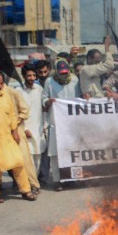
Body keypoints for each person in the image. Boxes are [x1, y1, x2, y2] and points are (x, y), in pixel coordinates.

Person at [0, 70, 36, 203]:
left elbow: (12, 114)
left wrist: (15, 131)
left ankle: (26, 190)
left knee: (18, 162)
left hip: (8, 136)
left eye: (1, 84)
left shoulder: (5, 95)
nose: (0, 86)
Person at [42, 58, 80, 191]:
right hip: (56, 122)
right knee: (55, 154)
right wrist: (48, 101)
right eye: (61, 73)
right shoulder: (49, 81)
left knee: (71, 153)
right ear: (56, 72)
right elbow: (44, 99)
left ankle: (71, 179)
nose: (64, 75)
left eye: (66, 72)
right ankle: (57, 181)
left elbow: (79, 98)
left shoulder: (75, 80)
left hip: (71, 123)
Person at [20, 64, 45, 175]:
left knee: (38, 157)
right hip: (25, 130)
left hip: (38, 129)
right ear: (24, 76)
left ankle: (36, 183)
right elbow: (16, 112)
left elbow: (43, 109)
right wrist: (24, 129)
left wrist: (45, 126)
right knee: (27, 158)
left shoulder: (39, 89)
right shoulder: (18, 91)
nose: (32, 78)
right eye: (29, 75)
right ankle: (30, 184)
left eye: (34, 75)